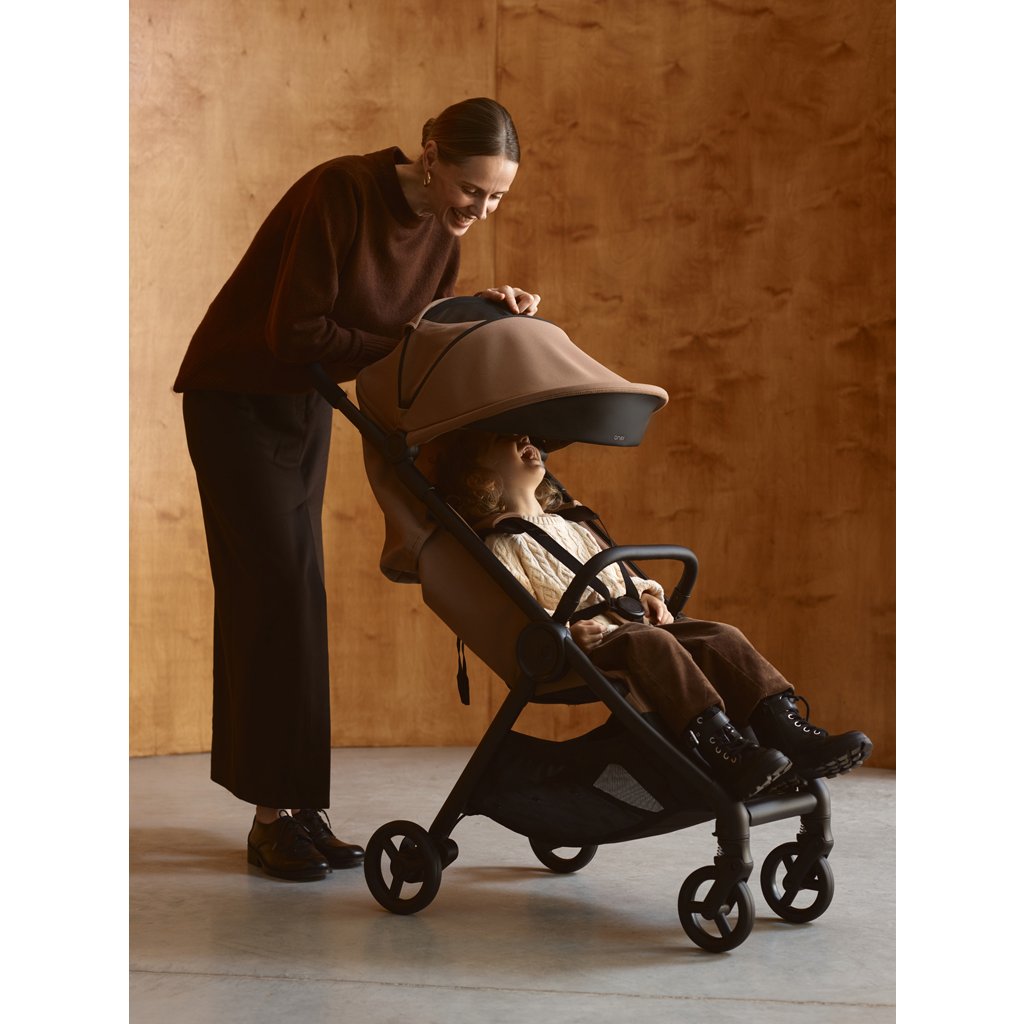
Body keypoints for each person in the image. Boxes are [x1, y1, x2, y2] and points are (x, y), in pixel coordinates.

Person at [174, 98, 541, 882]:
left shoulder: (441, 233)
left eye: (497, 197)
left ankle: (297, 808)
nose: (480, 209)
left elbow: (412, 337)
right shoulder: (339, 191)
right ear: (431, 153)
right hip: (236, 398)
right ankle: (272, 818)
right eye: (472, 188)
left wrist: (482, 313)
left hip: (303, 405)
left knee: (294, 597)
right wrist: (409, 337)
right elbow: (295, 332)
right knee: (275, 594)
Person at [435, 431, 873, 801]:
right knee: (653, 641)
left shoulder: (572, 523)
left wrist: (647, 594)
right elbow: (517, 607)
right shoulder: (502, 543)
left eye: (525, 436)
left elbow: (618, 572)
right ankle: (721, 747)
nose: (525, 440)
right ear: (480, 477)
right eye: (506, 440)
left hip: (632, 624)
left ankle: (786, 728)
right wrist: (566, 630)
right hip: (585, 642)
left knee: (720, 635)